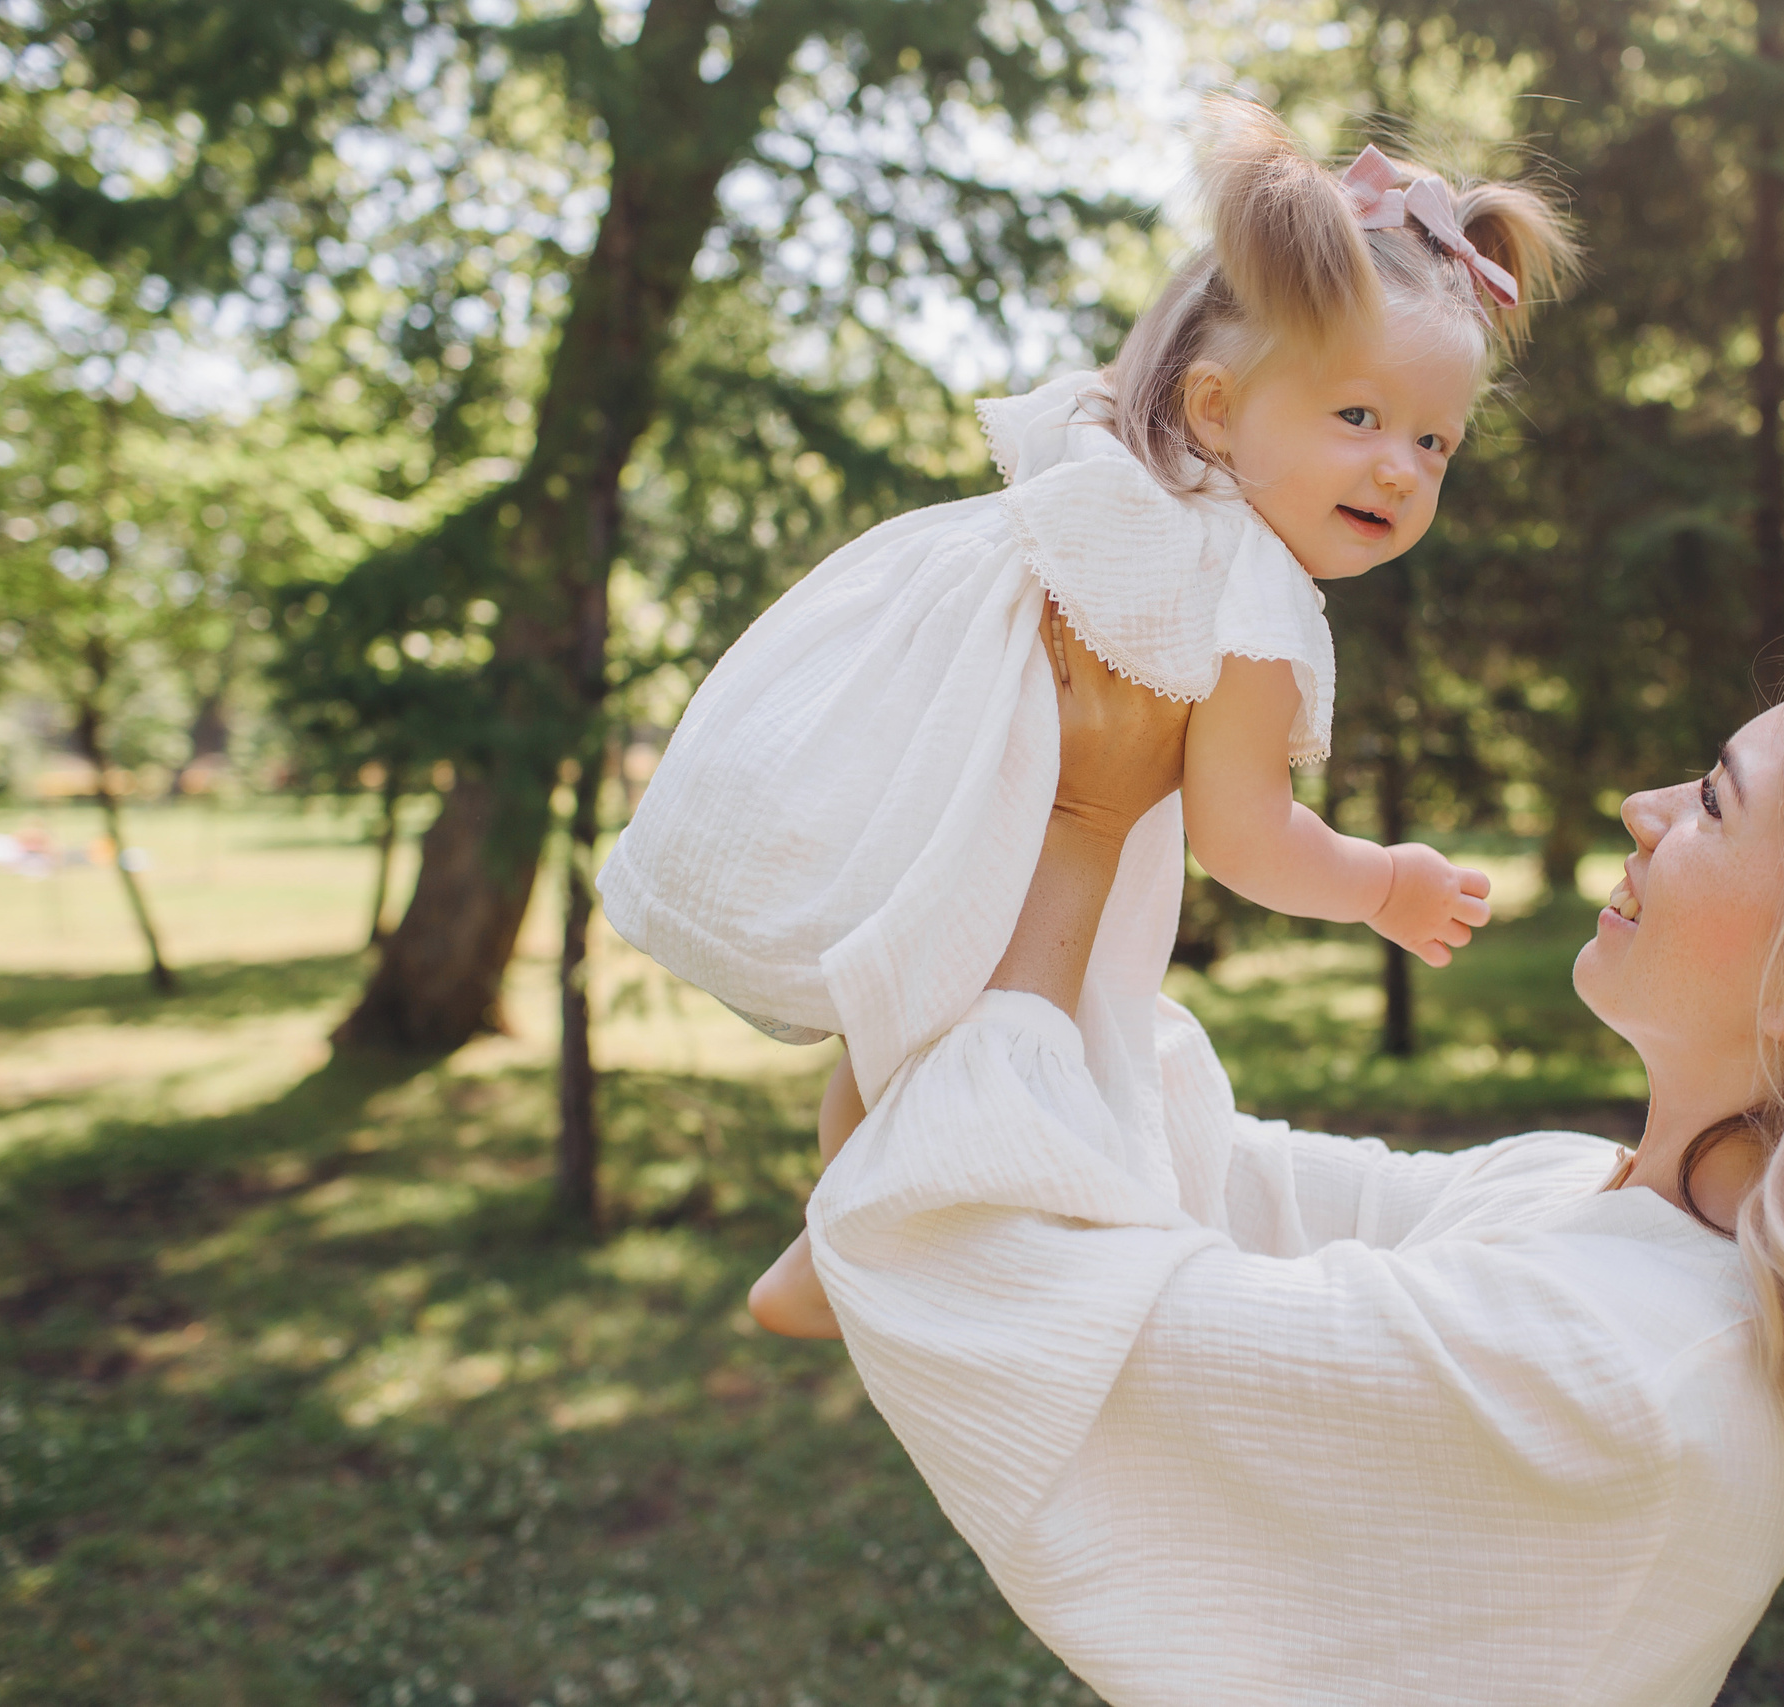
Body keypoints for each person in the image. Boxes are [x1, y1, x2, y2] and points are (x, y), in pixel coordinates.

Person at [802, 621, 1784, 1706]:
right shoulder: (1594, 1204)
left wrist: (1081, 822)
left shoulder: (1618, 1377)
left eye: (1712, 798)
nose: (1644, 807)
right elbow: (1188, 1164)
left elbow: (1005, 1272)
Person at [599, 98, 1577, 1335]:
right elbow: (1245, 836)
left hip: (920, 777)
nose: (1400, 466)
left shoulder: (1115, 473)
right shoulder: (1245, 587)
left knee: (922, 1027)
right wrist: (1382, 884)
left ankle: (834, 1234)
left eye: (1436, 442)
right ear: (1214, 410)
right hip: (1005, 828)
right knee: (1006, 1053)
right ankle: (860, 1249)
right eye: (1358, 418)